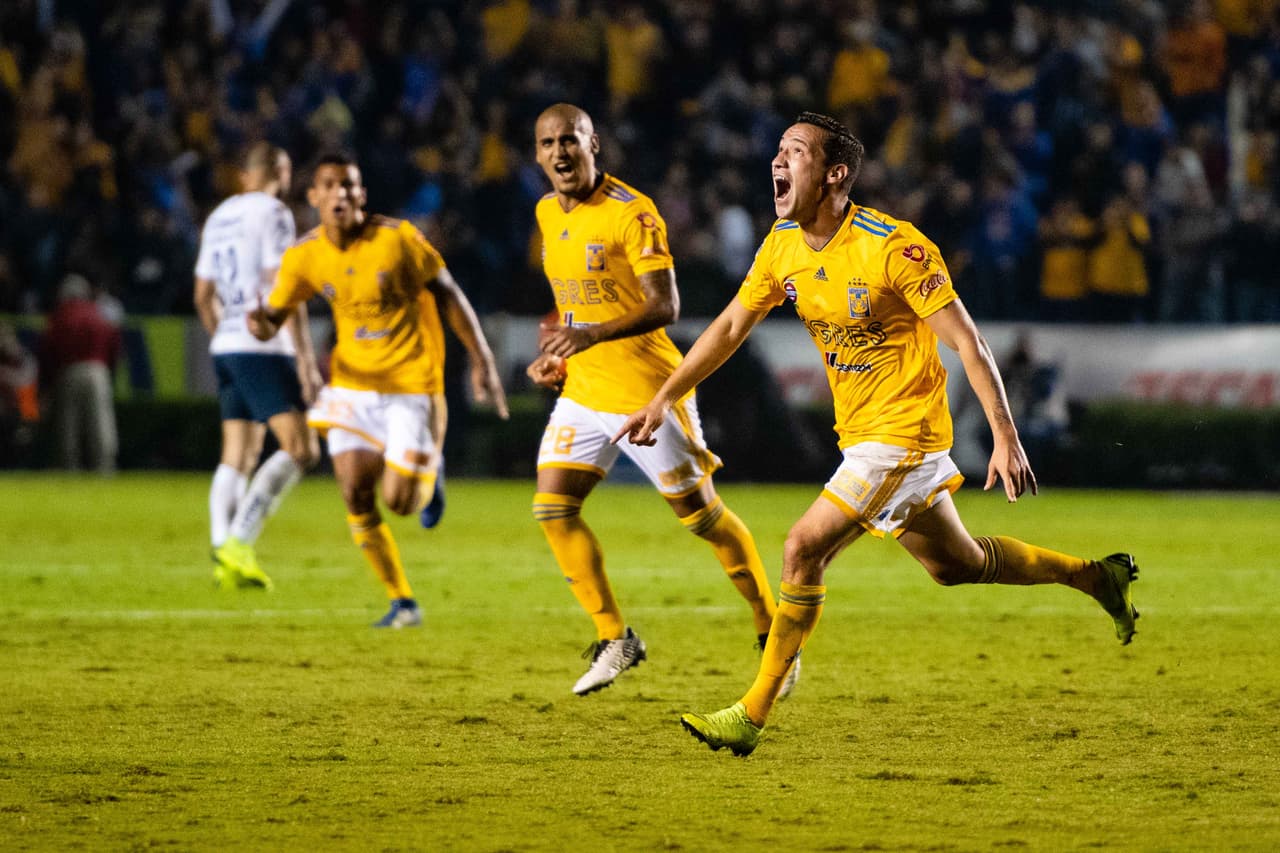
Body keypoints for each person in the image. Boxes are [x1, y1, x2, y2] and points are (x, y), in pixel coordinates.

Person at [614, 112, 1140, 757]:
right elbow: (727, 329)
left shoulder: (895, 247)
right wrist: (665, 396)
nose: (778, 161)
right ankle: (1097, 577)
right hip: (863, 433)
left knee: (802, 549)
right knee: (959, 566)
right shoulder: (783, 244)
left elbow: (968, 343)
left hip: (903, 433)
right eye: (778, 150)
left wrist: (1005, 435)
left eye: (795, 152)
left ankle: (751, 714)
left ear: (835, 174)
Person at [526, 103, 789, 697]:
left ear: (596, 146)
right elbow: (578, 305)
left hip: (648, 391)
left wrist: (589, 335)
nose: (560, 153)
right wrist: (559, 353)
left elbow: (665, 304)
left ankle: (772, 629)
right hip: (583, 388)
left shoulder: (632, 213)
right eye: (548, 143)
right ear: (537, 154)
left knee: (703, 519)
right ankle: (615, 638)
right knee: (552, 508)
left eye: (571, 140)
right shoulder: (547, 212)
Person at [248, 153, 508, 628]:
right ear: (314, 197)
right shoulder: (305, 256)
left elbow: (448, 291)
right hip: (353, 386)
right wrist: (258, 321)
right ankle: (403, 601)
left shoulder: (398, 240)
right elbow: (272, 321)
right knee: (353, 492)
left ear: (362, 195)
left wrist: (482, 359)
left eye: (350, 185)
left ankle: (432, 475)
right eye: (331, 185)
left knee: (401, 502)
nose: (341, 194)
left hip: (412, 385)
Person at [194, 142, 322, 591]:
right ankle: (238, 543)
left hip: (227, 343)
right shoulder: (273, 213)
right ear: (282, 175)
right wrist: (305, 359)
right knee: (301, 448)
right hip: (264, 347)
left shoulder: (218, 217)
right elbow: (281, 287)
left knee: (239, 454)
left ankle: (221, 554)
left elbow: (201, 296)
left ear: (246, 174)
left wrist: (223, 338)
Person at [38, 273, 122, 475]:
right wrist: (109, 371)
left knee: (69, 423)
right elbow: (114, 343)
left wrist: (46, 384)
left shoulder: (60, 315)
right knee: (100, 421)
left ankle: (70, 467)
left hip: (69, 372)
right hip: (98, 371)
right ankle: (105, 466)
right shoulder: (98, 313)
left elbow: (48, 350)